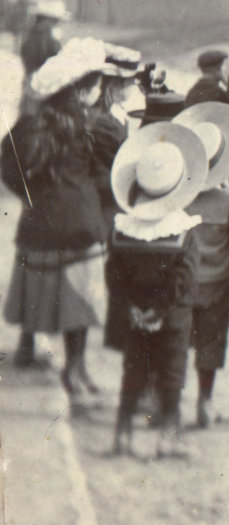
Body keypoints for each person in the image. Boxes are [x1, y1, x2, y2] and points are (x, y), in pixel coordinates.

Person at [2, 40, 129, 408]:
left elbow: (7, 168)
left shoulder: (28, 125)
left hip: (38, 223)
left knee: (35, 279)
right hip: (80, 223)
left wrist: (30, 196)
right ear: (83, 90)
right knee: (80, 297)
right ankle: (75, 369)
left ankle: (27, 345)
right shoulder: (93, 125)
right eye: (96, 87)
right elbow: (117, 165)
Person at [105, 119, 208, 460]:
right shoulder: (183, 231)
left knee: (134, 369)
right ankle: (168, 436)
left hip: (134, 314)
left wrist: (134, 308)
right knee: (172, 372)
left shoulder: (122, 230)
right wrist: (161, 310)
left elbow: (114, 274)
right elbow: (184, 279)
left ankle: (123, 434)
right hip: (173, 317)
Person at [177, 102, 229, 429]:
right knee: (210, 342)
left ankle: (170, 402)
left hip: (181, 283)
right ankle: (205, 403)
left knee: (176, 340)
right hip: (217, 282)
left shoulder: (177, 196)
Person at [18, 0, 65, 103]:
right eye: (56, 20)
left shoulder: (31, 34)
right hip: (43, 88)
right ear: (48, 19)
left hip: (31, 85)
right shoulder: (47, 35)